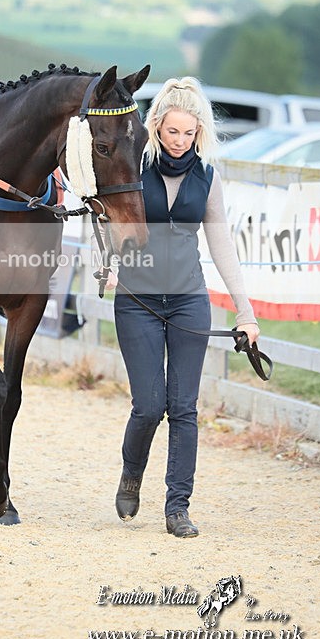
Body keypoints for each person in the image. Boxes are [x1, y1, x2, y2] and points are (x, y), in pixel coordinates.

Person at [112, 76, 259, 538]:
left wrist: (245, 311)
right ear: (156, 127)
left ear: (199, 133)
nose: (180, 141)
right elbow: (107, 222)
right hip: (136, 301)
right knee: (148, 406)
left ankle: (178, 507)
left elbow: (222, 245)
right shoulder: (133, 171)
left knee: (184, 408)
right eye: (172, 132)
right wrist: (107, 263)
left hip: (189, 302)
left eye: (189, 133)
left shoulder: (208, 179)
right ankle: (132, 473)